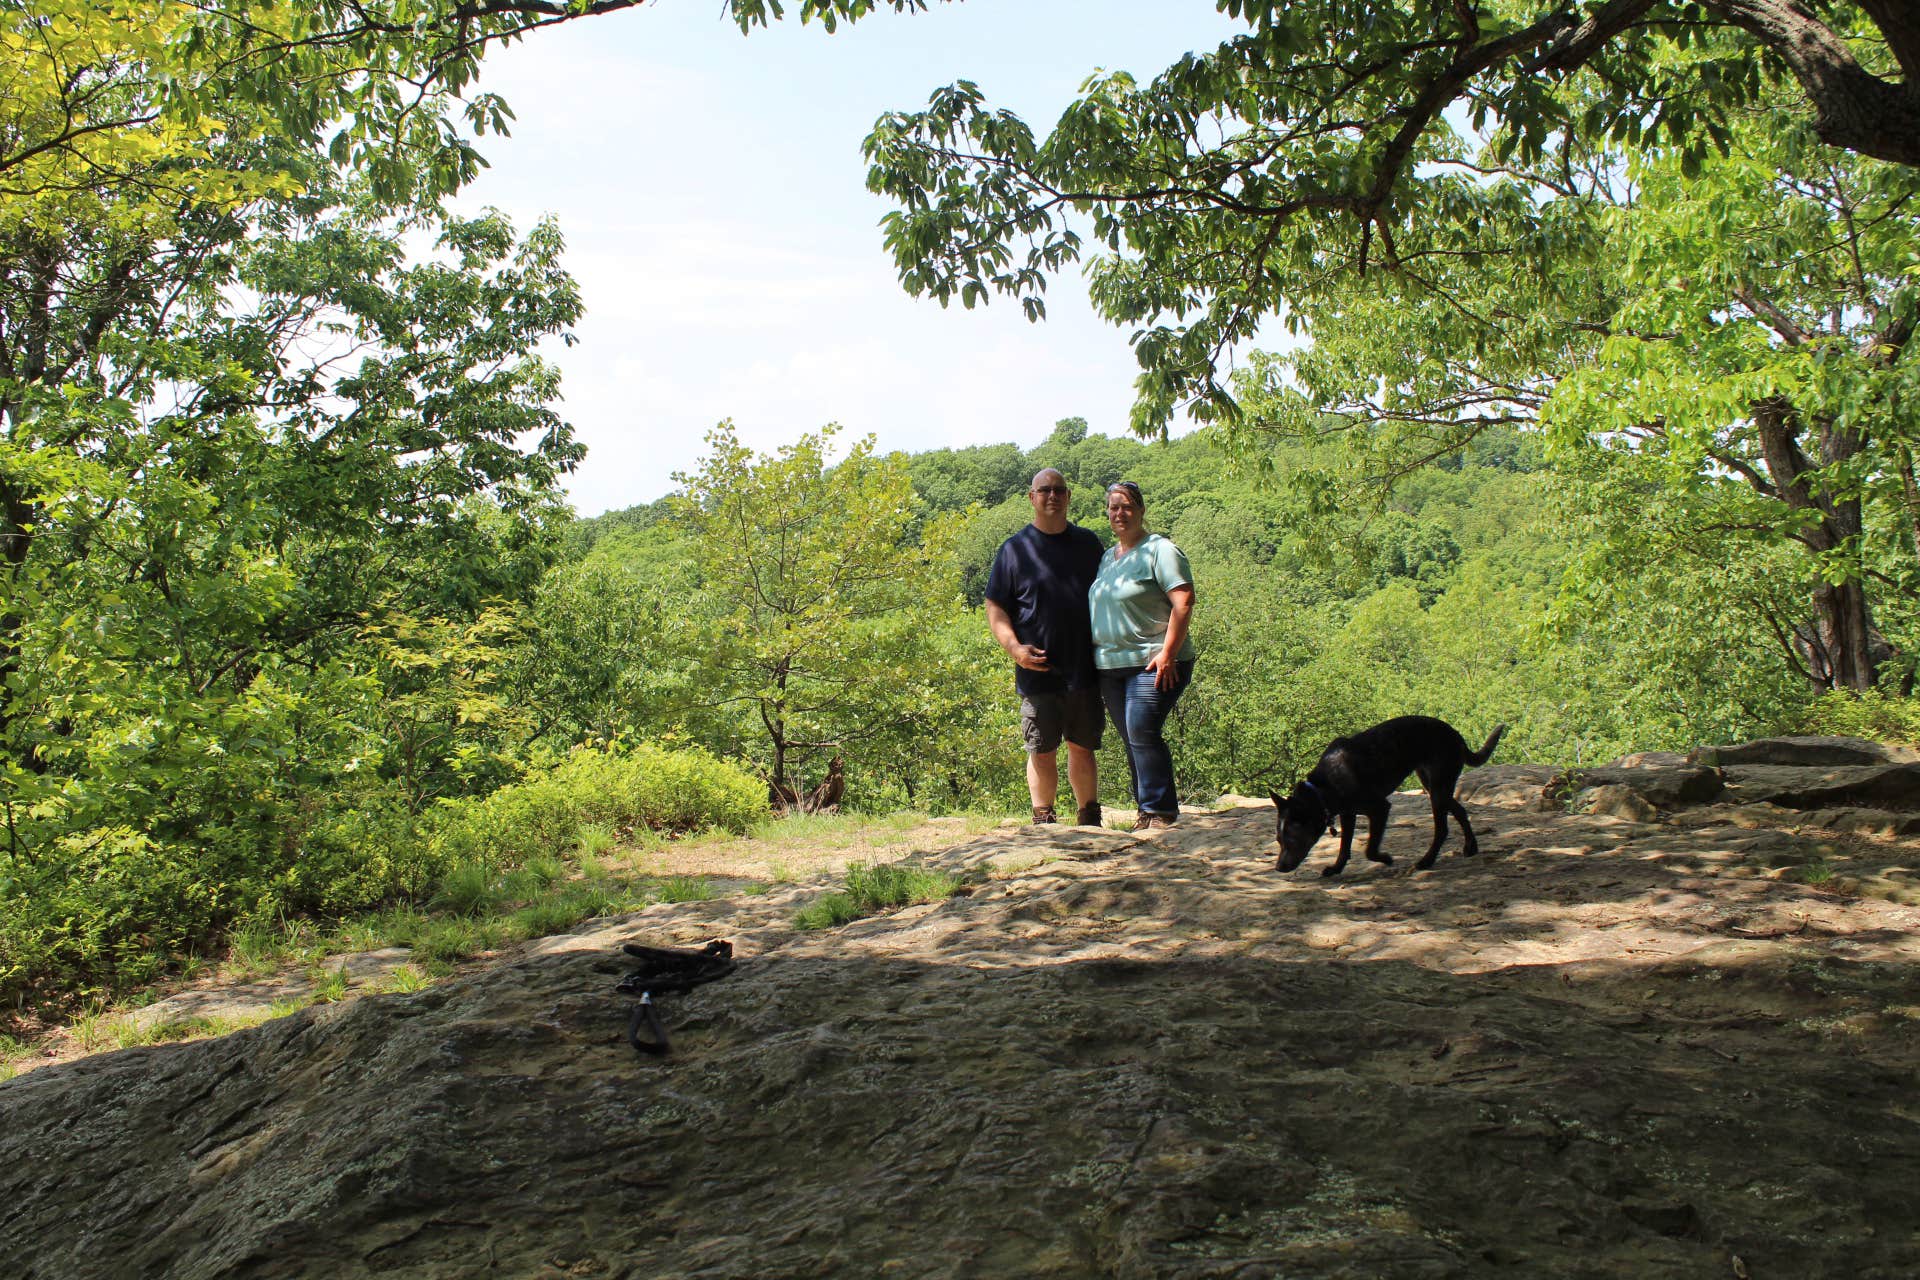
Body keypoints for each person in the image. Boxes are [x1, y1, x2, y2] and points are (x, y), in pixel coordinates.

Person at [984, 468, 1106, 826]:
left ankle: (1089, 816)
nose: (1052, 496)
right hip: (1036, 670)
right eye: (1045, 490)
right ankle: (1044, 819)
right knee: (1041, 750)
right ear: (1031, 497)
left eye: (1059, 490)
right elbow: (995, 607)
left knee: (1083, 748)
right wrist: (1014, 649)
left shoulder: (1088, 544)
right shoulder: (1014, 549)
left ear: (1068, 497)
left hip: (1085, 668)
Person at [1089, 479, 1195, 832]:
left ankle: (1160, 812)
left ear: (1141, 510)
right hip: (1111, 665)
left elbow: (1184, 601)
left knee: (1142, 730)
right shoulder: (1108, 556)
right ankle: (1145, 812)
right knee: (1132, 737)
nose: (1120, 513)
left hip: (1154, 660)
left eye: (1127, 506)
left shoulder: (1160, 550)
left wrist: (1169, 653)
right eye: (1113, 507)